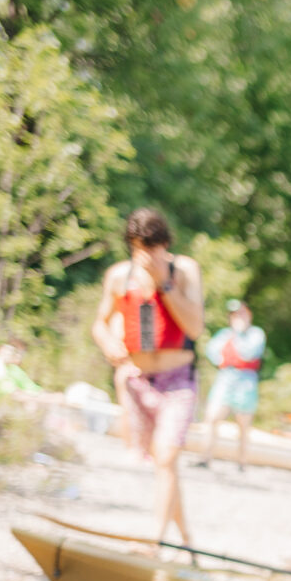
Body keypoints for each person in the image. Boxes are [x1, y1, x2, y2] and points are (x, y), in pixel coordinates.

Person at [90, 208, 204, 546]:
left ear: (165, 244)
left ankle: (156, 540)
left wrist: (164, 284)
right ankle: (185, 539)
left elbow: (195, 327)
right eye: (140, 249)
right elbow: (99, 323)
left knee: (166, 458)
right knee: (162, 465)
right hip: (139, 381)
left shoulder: (184, 271)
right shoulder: (118, 276)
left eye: (153, 248)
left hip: (178, 380)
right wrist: (109, 343)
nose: (147, 256)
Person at [199, 299, 265, 470]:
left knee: (243, 423)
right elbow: (212, 351)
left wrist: (238, 335)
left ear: (248, 314)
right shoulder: (224, 334)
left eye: (241, 314)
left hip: (246, 381)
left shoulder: (256, 334)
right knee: (212, 416)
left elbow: (249, 353)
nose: (238, 318)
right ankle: (205, 457)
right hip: (226, 377)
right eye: (234, 315)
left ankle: (242, 462)